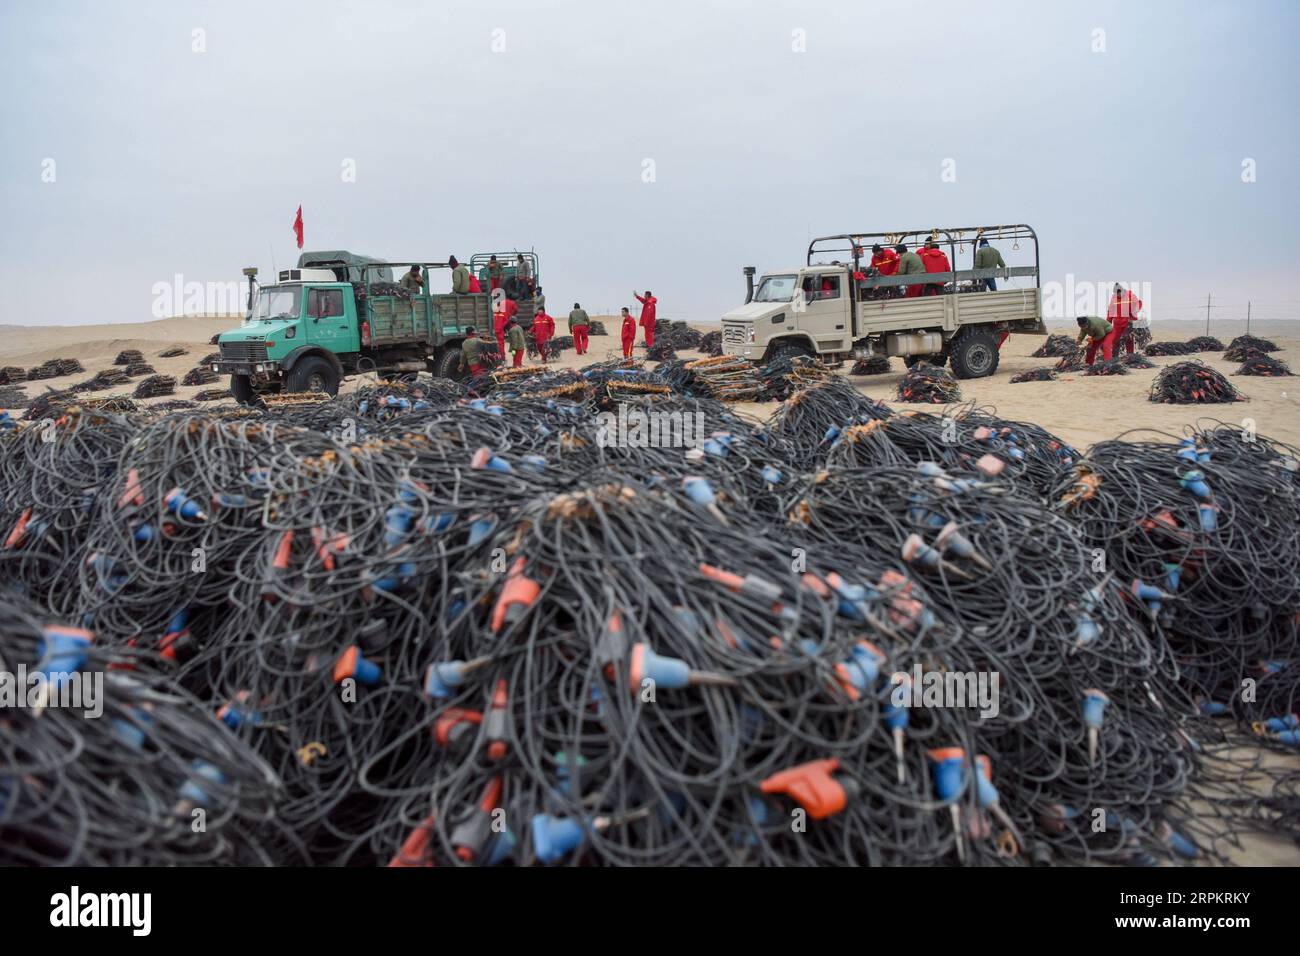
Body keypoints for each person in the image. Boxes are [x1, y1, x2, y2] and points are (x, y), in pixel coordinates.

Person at [1108, 283, 1143, 356]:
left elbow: (1139, 303)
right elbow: (1110, 310)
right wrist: (1108, 322)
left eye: (1119, 293)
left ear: (1122, 290)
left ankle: (1130, 355)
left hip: (1128, 322)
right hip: (1117, 323)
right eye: (1116, 294)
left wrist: (1134, 313)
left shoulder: (1130, 295)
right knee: (1115, 340)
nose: (1118, 295)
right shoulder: (1114, 298)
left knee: (1129, 339)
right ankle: (1115, 356)